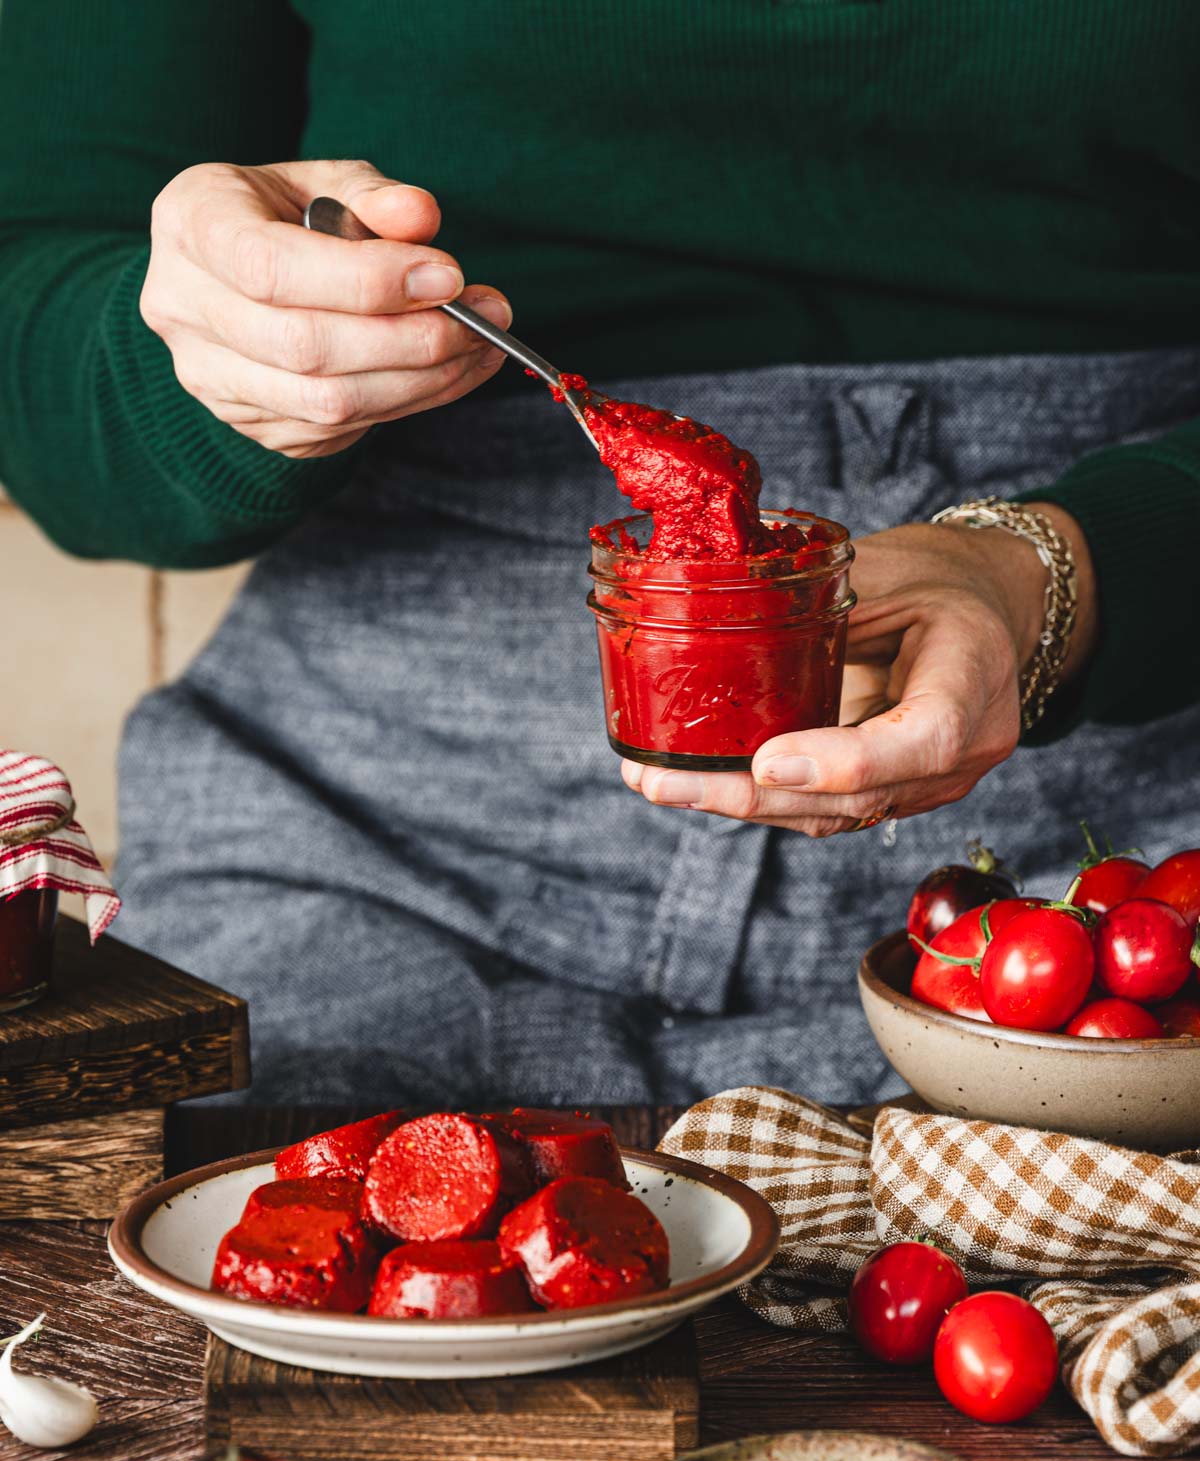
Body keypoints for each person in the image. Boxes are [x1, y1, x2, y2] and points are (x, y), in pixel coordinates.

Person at [1, 3, 1197, 1108]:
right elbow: (43, 349)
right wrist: (220, 358)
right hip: (381, 837)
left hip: (1113, 880)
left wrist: (1064, 568)